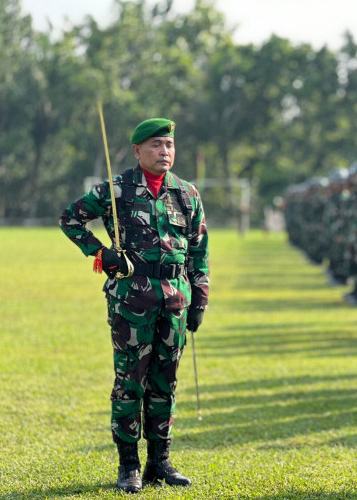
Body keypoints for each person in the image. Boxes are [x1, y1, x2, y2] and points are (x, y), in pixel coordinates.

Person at [59, 118, 210, 493]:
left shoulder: (186, 193)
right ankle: (129, 466)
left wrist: (199, 297)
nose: (165, 152)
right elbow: (69, 219)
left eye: (170, 145)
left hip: (175, 298)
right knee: (130, 383)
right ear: (138, 150)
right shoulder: (117, 190)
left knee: (165, 382)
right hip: (132, 299)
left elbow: (199, 250)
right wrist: (102, 254)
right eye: (157, 145)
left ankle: (161, 462)